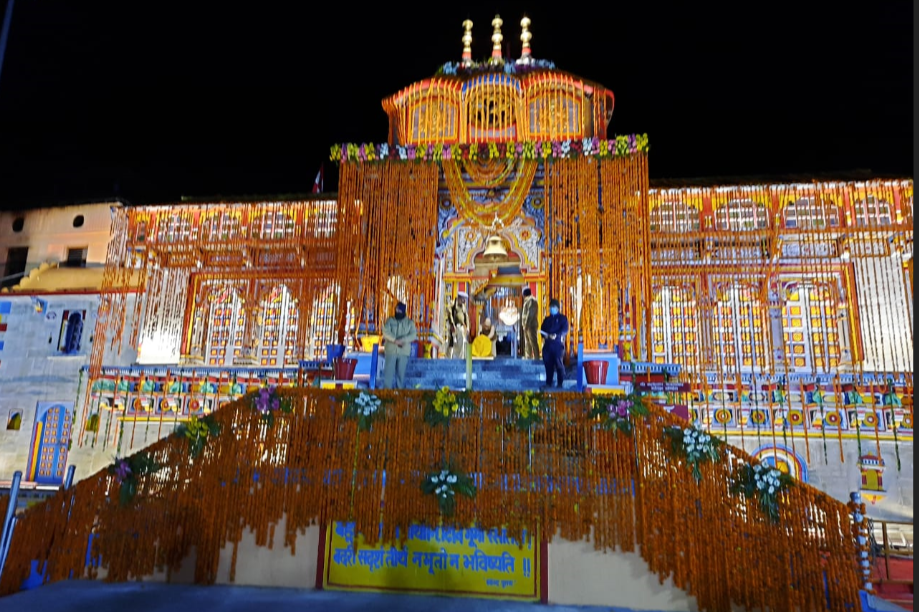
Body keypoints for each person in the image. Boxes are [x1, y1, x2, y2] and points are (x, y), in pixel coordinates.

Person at [382, 302, 417, 389]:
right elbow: (385, 332)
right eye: (396, 310)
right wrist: (394, 340)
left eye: (399, 310)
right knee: (388, 373)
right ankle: (387, 392)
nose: (397, 311)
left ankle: (399, 392)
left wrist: (403, 340)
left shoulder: (410, 323)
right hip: (391, 350)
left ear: (403, 311)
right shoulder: (390, 320)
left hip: (403, 351)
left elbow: (413, 335)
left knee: (401, 373)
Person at [540, 298, 569, 388]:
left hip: (557, 344)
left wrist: (556, 335)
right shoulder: (547, 319)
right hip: (548, 344)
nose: (551, 308)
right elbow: (542, 330)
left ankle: (560, 383)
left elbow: (565, 330)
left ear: (557, 308)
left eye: (553, 307)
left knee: (558, 363)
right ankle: (549, 383)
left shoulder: (562, 319)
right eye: (550, 307)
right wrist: (545, 336)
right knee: (548, 364)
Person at [521, 288, 539, 359]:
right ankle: (528, 356)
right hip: (527, 325)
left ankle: (536, 357)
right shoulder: (528, 301)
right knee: (527, 341)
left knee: (533, 341)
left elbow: (530, 314)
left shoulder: (531, 300)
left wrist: (527, 324)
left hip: (531, 325)